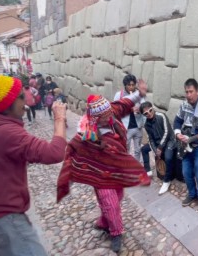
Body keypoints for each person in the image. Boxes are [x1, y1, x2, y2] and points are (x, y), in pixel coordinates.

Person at [57, 79, 150, 253]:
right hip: (100, 173)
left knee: (118, 195)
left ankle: (104, 221)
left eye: (110, 113)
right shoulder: (87, 132)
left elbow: (124, 103)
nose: (110, 117)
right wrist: (68, 174)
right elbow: (73, 148)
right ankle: (115, 232)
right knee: (110, 201)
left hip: (117, 167)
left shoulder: (110, 111)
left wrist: (140, 94)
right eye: (106, 116)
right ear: (97, 117)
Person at [0, 74, 67, 256]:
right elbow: (53, 153)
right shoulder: (6, 132)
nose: (26, 100)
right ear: (5, 105)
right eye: (21, 97)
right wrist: (60, 119)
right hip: (4, 217)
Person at [173, 78, 198, 213]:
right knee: (186, 172)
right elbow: (177, 121)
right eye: (186, 92)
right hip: (186, 145)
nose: (188, 95)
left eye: (191, 92)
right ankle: (192, 194)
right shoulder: (184, 105)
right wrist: (178, 133)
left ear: (197, 91)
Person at [140, 101, 176, 195]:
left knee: (168, 157)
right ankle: (148, 171)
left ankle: (166, 181)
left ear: (153, 108)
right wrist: (155, 150)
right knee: (144, 149)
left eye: (150, 110)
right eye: (146, 113)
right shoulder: (146, 124)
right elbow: (150, 139)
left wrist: (160, 147)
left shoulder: (161, 116)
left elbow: (167, 132)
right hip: (157, 143)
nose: (149, 113)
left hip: (169, 141)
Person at [114, 74, 145, 162]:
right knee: (125, 149)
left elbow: (144, 106)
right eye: (129, 85)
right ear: (125, 85)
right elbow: (115, 110)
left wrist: (139, 109)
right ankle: (126, 167)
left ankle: (136, 167)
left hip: (137, 126)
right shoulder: (119, 95)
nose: (131, 87)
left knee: (137, 150)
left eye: (133, 85)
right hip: (125, 128)